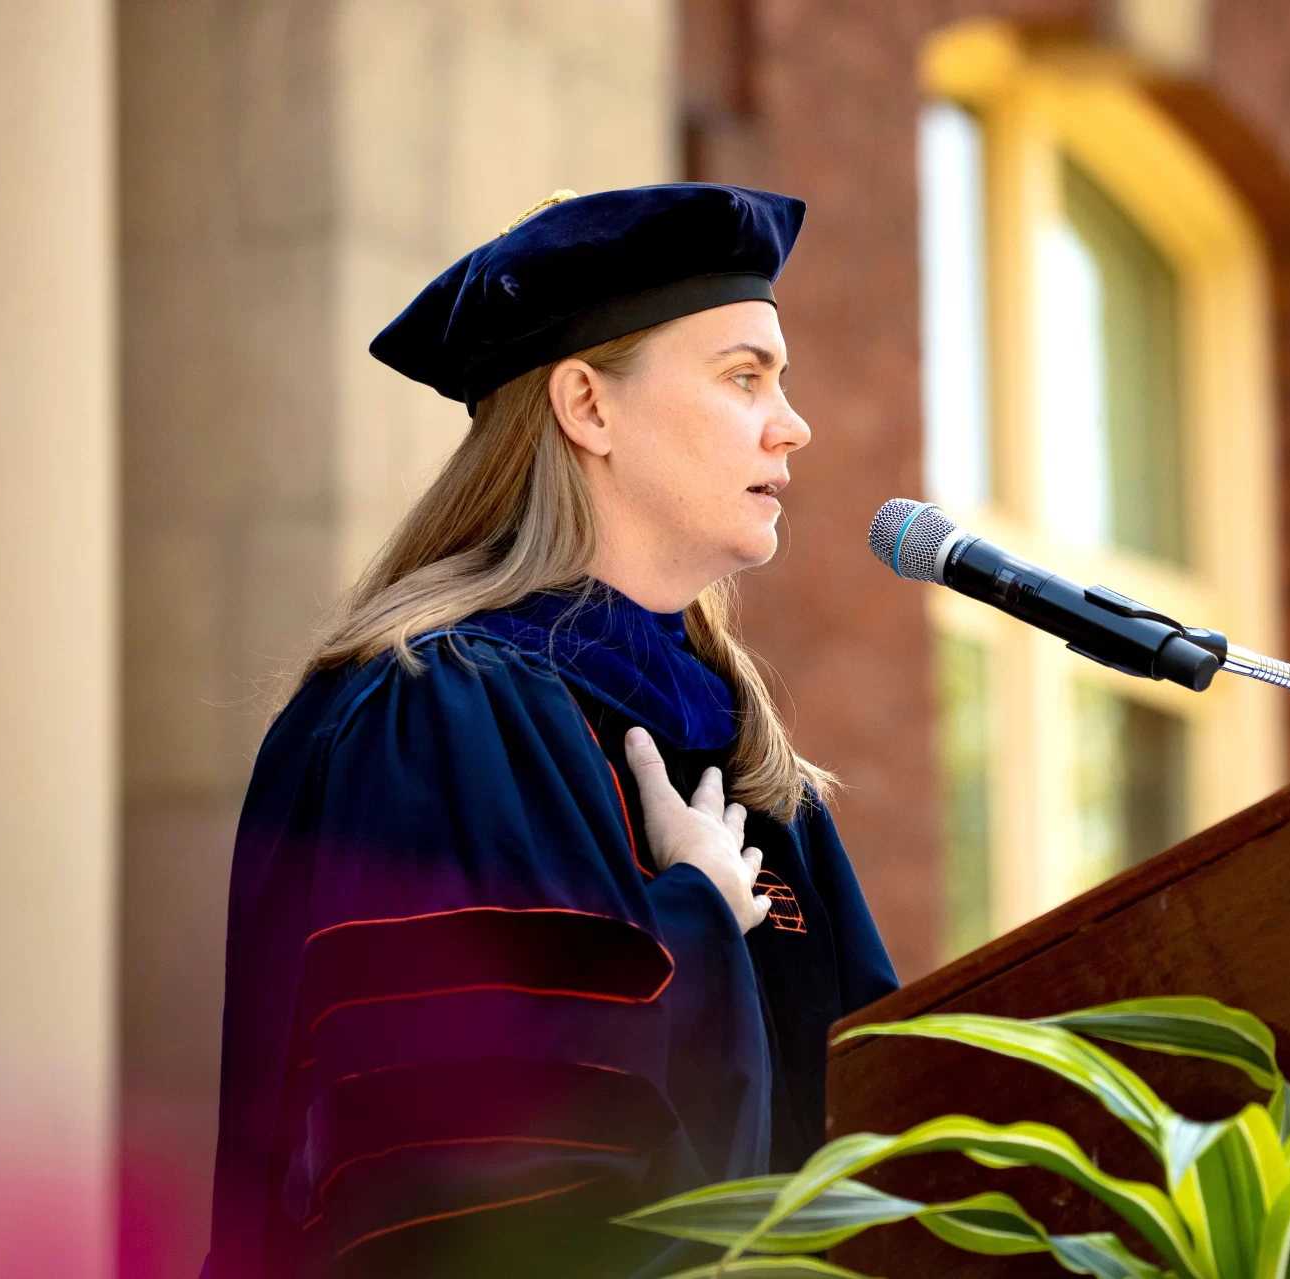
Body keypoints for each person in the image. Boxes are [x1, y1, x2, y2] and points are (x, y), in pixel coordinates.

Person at [202, 184, 899, 1279]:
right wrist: (694, 921)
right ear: (586, 404)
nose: (790, 421)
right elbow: (463, 1184)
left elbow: (890, 1122)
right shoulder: (428, 719)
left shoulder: (751, 764)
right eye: (742, 376)